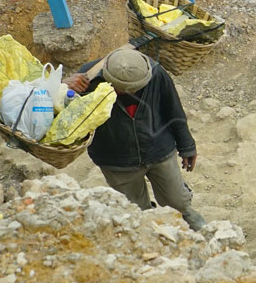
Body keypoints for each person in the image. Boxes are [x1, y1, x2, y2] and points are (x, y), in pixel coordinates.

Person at [66, 47, 208, 231]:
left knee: (178, 201)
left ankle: (192, 221)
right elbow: (64, 114)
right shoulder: (87, 80)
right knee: (135, 211)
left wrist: (187, 146)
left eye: (135, 89)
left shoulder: (156, 73)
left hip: (159, 150)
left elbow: (174, 110)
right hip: (116, 161)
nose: (127, 94)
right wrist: (65, 88)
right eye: (121, 89)